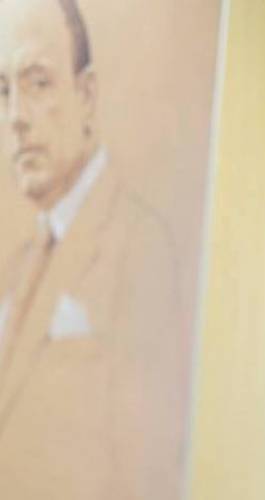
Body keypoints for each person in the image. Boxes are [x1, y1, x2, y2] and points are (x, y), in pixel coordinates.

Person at [0, 0, 188, 498]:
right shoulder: (16, 269)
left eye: (38, 83)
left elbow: (144, 471)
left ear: (85, 95)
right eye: (3, 91)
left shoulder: (140, 247)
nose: (15, 117)